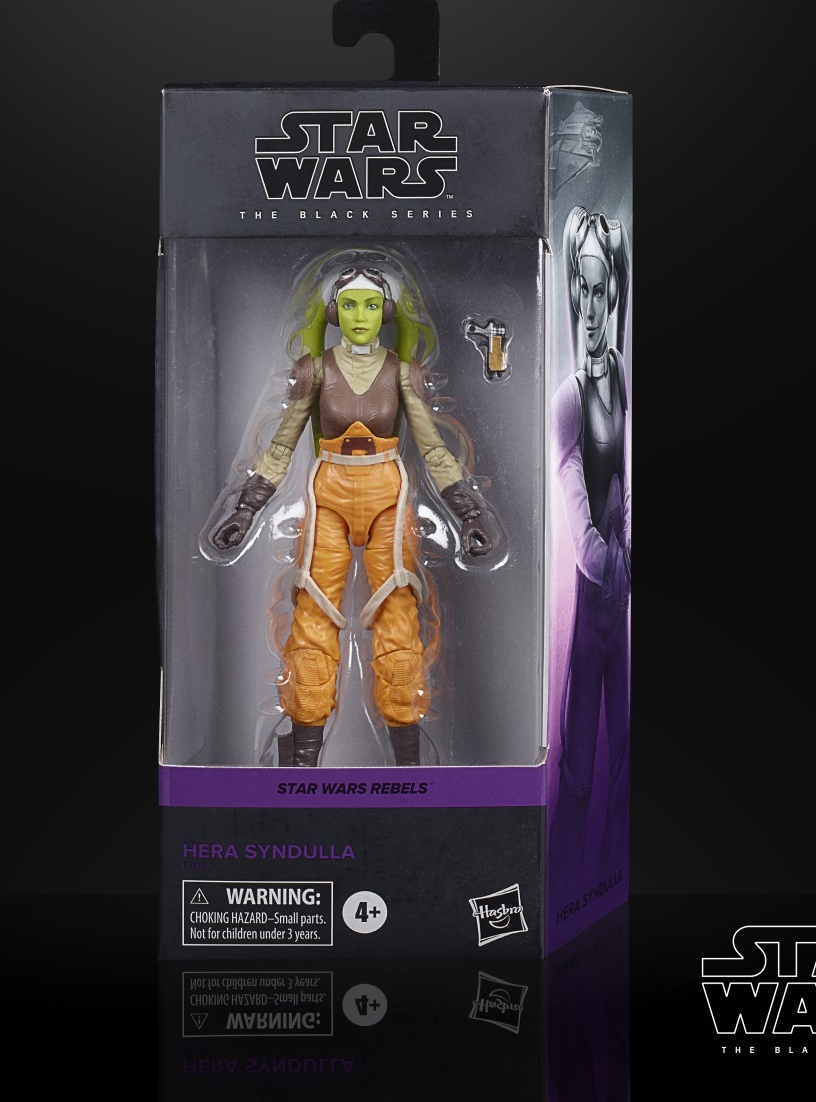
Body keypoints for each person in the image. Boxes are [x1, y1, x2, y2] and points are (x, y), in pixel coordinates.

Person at [211, 255, 500, 767]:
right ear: (334, 312)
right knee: (313, 615)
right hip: (329, 493)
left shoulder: (402, 374)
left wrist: (468, 512)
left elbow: (433, 447)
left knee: (398, 617)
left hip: (388, 493)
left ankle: (408, 759)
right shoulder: (315, 372)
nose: (360, 315)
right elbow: (281, 444)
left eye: (370, 305)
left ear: (385, 312)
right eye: (350, 305)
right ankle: (304, 754)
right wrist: (246, 508)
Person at [550, 208, 631, 882]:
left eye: (602, 292)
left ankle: (610, 884)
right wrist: (603, 553)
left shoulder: (624, 379)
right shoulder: (568, 396)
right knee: (578, 768)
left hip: (620, 607)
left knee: (625, 761)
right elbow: (569, 473)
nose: (593, 309)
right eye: (583, 291)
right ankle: (565, 885)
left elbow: (625, 473)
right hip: (587, 606)